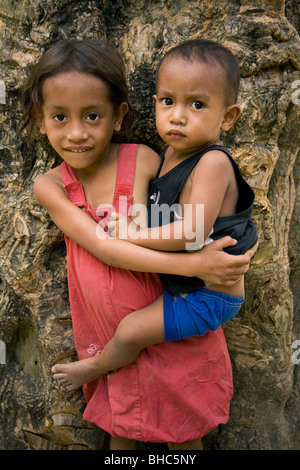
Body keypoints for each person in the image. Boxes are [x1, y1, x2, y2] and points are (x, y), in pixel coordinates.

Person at [19, 39, 257, 450]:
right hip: (111, 322)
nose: (77, 132)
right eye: (59, 116)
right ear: (41, 120)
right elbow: (105, 248)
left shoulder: (146, 159)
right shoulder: (51, 185)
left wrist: (200, 259)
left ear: (118, 115)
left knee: (183, 422)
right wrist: (197, 265)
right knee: (121, 421)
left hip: (167, 310)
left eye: (92, 115)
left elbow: (176, 218)